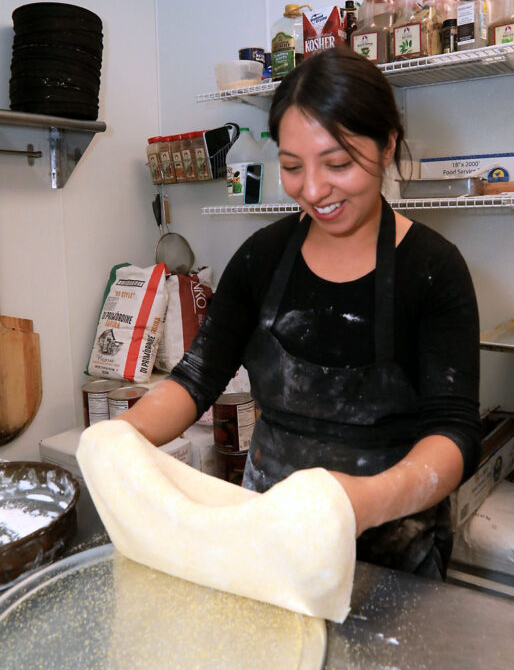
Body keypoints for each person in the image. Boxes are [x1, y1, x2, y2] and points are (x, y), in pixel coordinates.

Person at [121, 45, 481, 580]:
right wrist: (118, 439)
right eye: (292, 166)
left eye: (337, 163)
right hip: (269, 536)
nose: (312, 190)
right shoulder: (261, 259)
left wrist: (361, 502)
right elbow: (195, 379)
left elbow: (453, 434)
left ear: (386, 147)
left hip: (392, 548)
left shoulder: (433, 269)